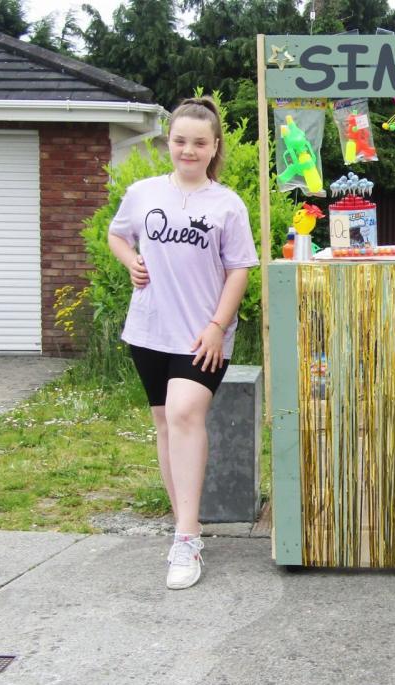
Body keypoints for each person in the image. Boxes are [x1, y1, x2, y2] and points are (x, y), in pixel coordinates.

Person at [108, 96, 258, 590]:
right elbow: (118, 234)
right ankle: (182, 527)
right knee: (165, 426)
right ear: (168, 142)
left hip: (202, 332)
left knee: (184, 414)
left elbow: (239, 269)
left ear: (214, 147)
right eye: (179, 141)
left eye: (199, 142)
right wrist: (129, 259)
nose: (188, 150)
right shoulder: (143, 193)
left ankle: (188, 538)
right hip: (150, 330)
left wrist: (218, 325)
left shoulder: (227, 204)